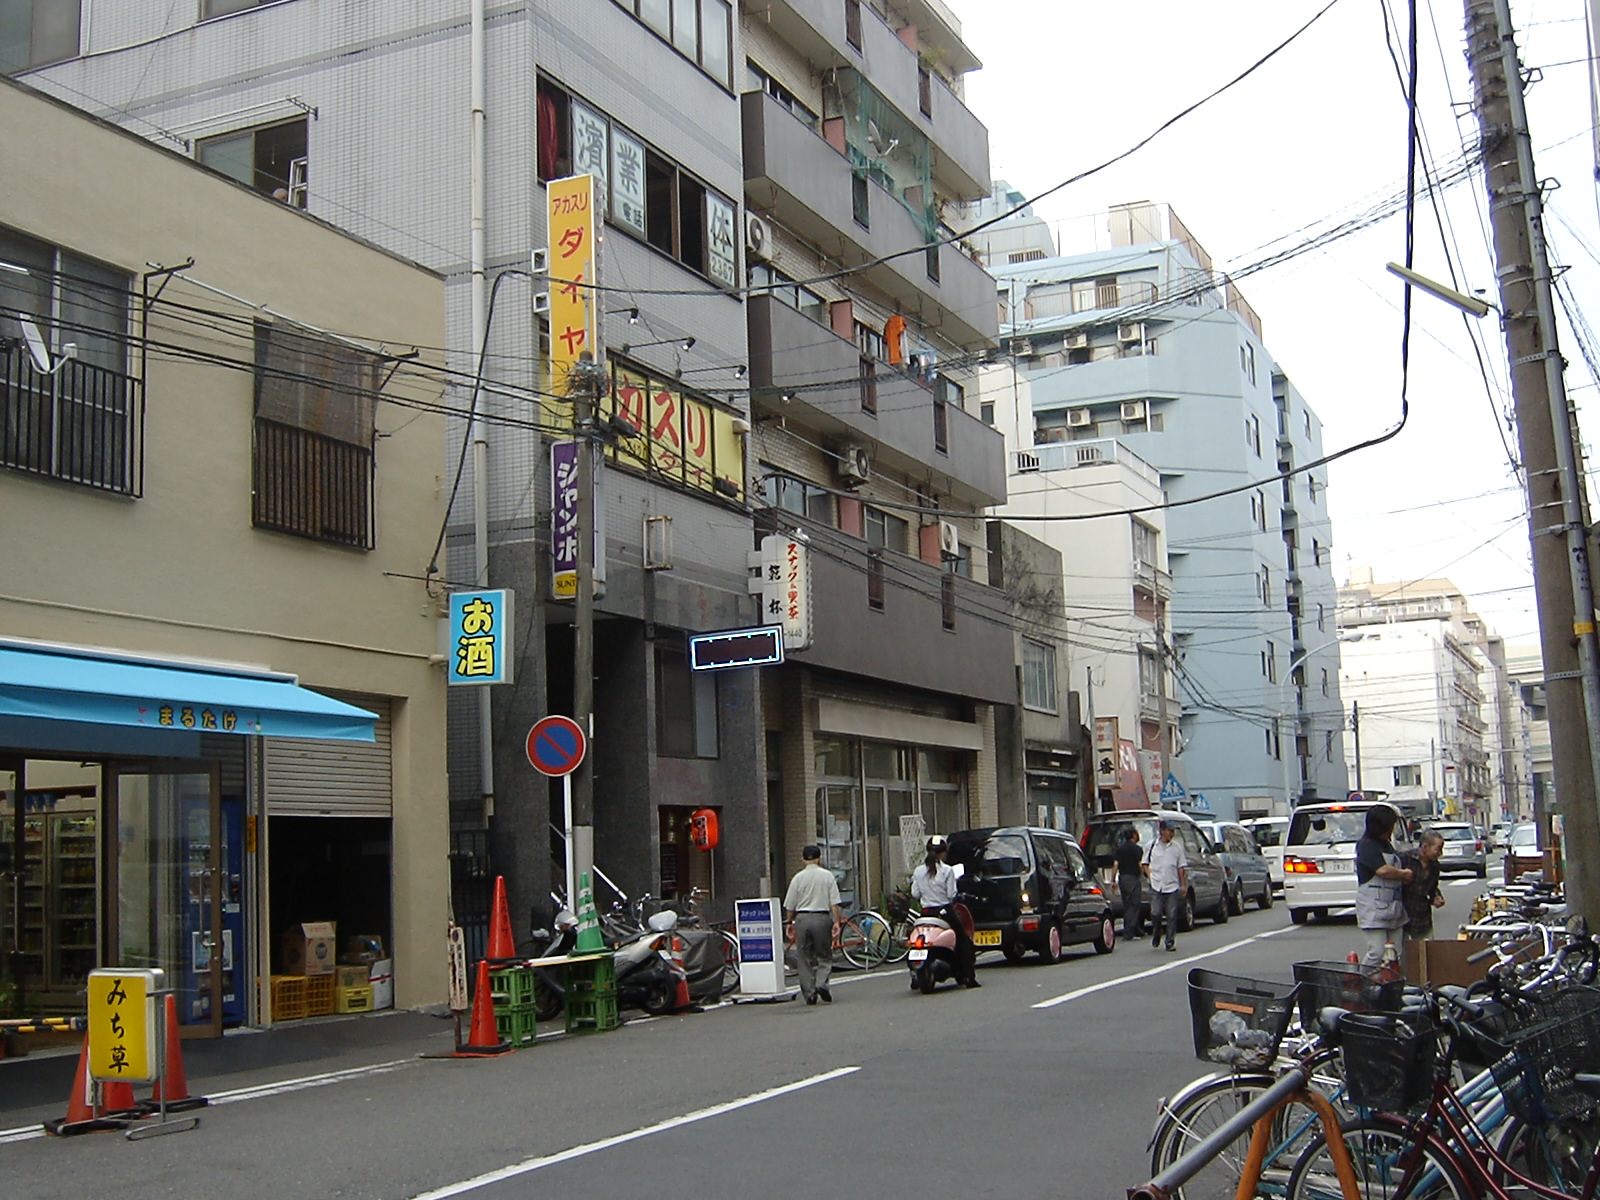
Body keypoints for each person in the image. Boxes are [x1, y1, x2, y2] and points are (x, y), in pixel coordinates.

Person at [910, 835, 980, 987]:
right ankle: (969, 977)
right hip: (944, 912)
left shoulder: (918, 871)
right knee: (963, 939)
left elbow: (915, 894)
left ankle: (914, 977)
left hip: (925, 913)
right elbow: (951, 895)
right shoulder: (947, 871)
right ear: (943, 853)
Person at [1354, 804, 1413, 967]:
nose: (1391, 830)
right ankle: (1361, 982)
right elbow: (1383, 870)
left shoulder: (1387, 845)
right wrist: (1403, 874)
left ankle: (1391, 986)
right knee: (1377, 952)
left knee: (1396, 953)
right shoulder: (1366, 845)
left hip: (1393, 907)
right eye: (1389, 826)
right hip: (1373, 908)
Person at [783, 845, 842, 1005]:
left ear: (803, 859)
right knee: (824, 955)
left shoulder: (798, 878)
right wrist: (836, 921)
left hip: (802, 919)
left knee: (804, 957)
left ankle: (809, 993)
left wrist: (789, 922)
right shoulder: (827, 876)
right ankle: (821, 983)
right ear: (819, 858)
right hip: (822, 918)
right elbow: (834, 902)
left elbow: (790, 905)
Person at [1143, 818, 1188, 952]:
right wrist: (1150, 876)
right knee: (1155, 913)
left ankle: (1170, 941)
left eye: (1173, 831)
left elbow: (1181, 867)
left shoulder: (1177, 848)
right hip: (1156, 884)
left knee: (1172, 915)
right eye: (1169, 831)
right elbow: (1144, 864)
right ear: (1162, 831)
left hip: (1172, 885)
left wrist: (1183, 884)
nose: (1171, 834)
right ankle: (1157, 931)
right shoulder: (1151, 846)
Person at [1401, 830, 1446, 942]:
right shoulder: (1405, 859)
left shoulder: (1435, 866)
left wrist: (1436, 897)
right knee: (1402, 953)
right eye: (1438, 848)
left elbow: (1432, 888)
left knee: (1427, 951)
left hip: (1422, 917)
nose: (1440, 853)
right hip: (1403, 915)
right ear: (1425, 846)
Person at [1114, 827, 1145, 940]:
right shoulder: (1137, 849)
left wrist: (1113, 880)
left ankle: (1134, 929)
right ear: (1134, 835)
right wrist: (1145, 876)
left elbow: (1116, 864)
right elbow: (1140, 865)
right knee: (1134, 905)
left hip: (1123, 878)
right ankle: (1129, 932)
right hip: (1133, 878)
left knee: (1127, 905)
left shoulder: (1120, 849)